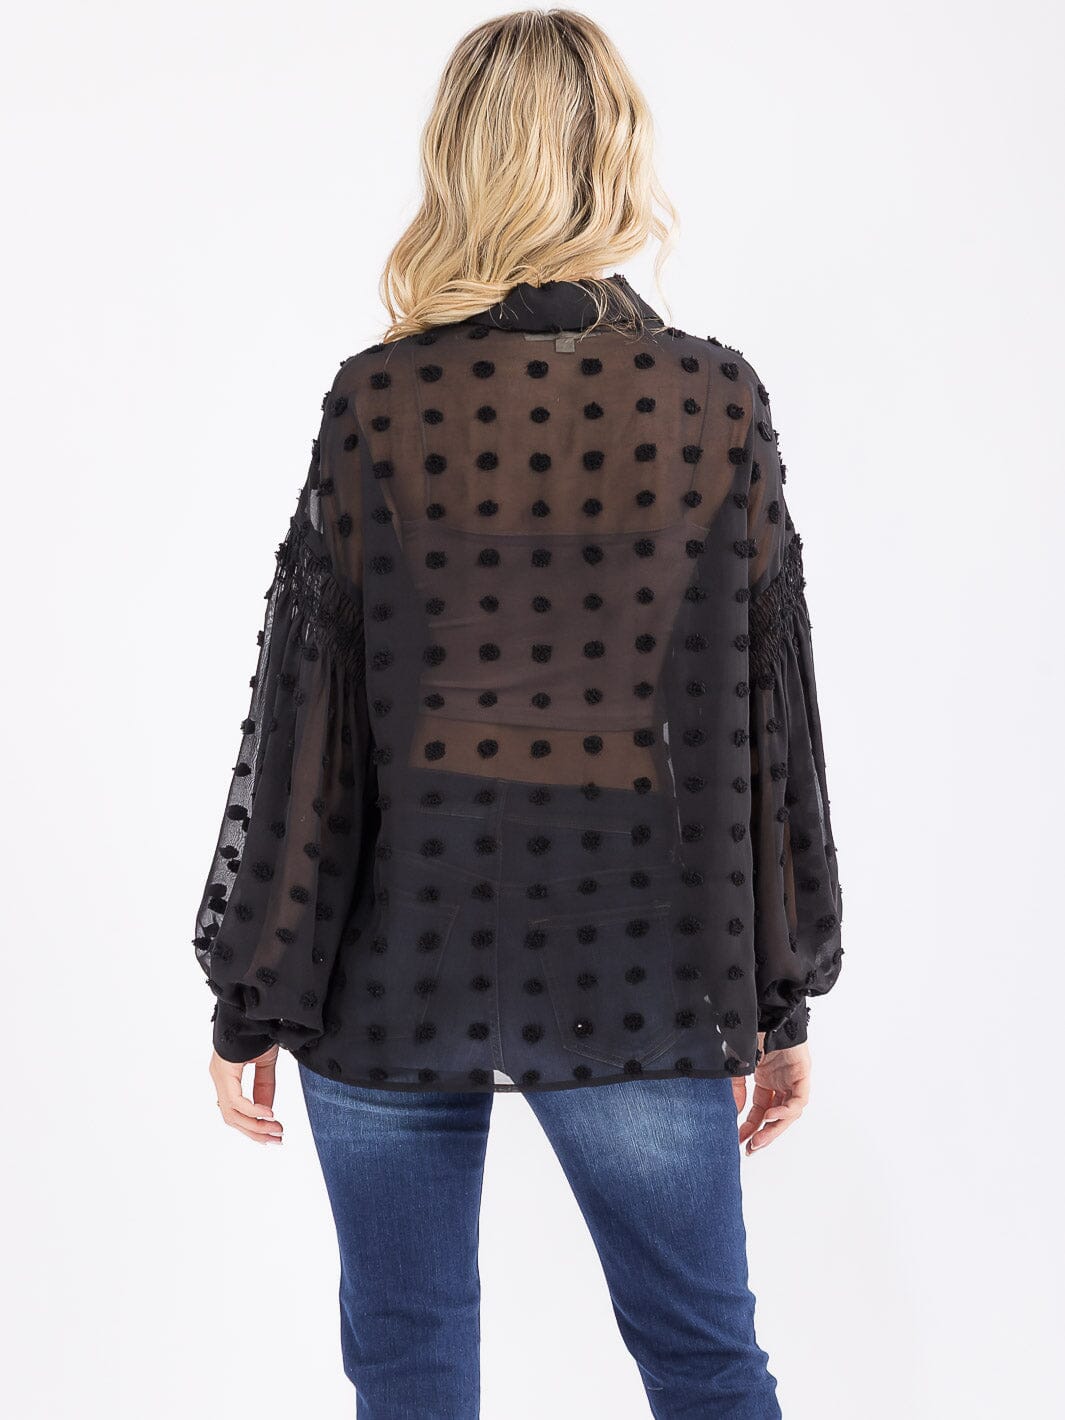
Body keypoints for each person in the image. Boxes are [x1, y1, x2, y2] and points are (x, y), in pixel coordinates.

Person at [192, 10, 843, 1416]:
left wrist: (256, 989)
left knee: (406, 1357)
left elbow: (309, 720)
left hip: (393, 943)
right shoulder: (710, 399)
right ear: (616, 153)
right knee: (705, 1359)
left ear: (459, 157)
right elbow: (762, 720)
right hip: (634, 951)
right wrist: (777, 989)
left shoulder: (380, 399)